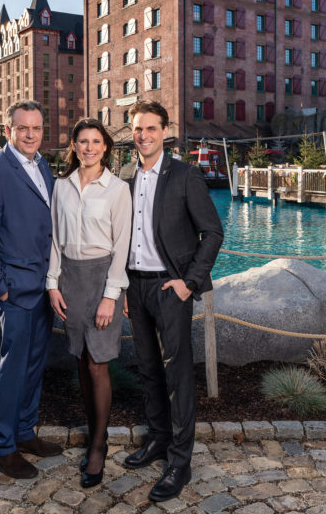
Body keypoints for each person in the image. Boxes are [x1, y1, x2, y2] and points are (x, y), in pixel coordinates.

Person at [122, 100, 224, 503]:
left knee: (177, 375)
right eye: (137, 129)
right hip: (135, 286)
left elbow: (212, 233)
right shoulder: (125, 174)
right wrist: (121, 287)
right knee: (147, 369)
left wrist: (189, 283)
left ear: (165, 130)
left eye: (151, 128)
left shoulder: (185, 175)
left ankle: (180, 461)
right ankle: (158, 441)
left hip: (171, 289)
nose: (143, 135)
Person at [0, 100, 62, 479]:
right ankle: (1, 446)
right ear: (9, 131)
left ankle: (24, 432)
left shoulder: (42, 166)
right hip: (16, 291)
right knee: (13, 369)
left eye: (36, 128)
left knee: (35, 364)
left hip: (43, 288)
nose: (29, 134)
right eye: (22, 128)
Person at [47, 118, 132, 488]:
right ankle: (97, 432)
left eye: (96, 141)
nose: (89, 148)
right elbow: (53, 239)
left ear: (106, 147)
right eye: (83, 141)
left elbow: (122, 246)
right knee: (81, 360)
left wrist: (111, 296)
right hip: (70, 279)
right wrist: (52, 284)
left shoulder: (117, 190)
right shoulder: (61, 187)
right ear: (74, 146)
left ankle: (98, 445)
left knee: (98, 364)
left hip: (102, 280)